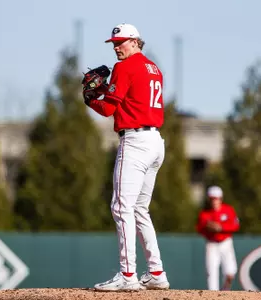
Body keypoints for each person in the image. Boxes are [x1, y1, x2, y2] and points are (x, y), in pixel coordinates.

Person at [83, 23, 169, 291]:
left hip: (135, 142)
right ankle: (156, 272)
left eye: (121, 42)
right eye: (114, 43)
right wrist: (103, 91)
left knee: (121, 208)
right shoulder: (153, 68)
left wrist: (89, 98)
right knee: (140, 209)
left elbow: (108, 108)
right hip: (155, 141)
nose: (117, 47)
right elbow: (128, 97)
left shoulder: (125, 66)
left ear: (135, 41)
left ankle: (128, 275)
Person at [196, 186, 240, 291]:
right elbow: (199, 228)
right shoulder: (205, 213)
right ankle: (213, 295)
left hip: (226, 242)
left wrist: (221, 228)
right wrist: (207, 228)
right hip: (211, 243)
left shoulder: (228, 210)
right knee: (211, 271)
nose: (214, 201)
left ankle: (225, 291)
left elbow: (235, 225)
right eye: (212, 199)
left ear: (221, 198)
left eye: (216, 198)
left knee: (230, 271)